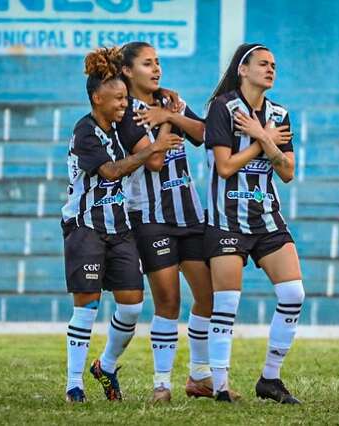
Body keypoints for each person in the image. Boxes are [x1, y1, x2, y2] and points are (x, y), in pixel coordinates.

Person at [61, 46, 183, 403]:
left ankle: (107, 366)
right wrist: (151, 149)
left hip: (119, 226)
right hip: (85, 225)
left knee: (130, 305)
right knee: (87, 305)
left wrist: (165, 97)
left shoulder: (122, 124)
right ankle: (74, 385)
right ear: (97, 98)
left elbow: (153, 154)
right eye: (117, 99)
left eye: (125, 99)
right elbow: (112, 171)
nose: (123, 105)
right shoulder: (84, 132)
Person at [116, 41, 217, 403]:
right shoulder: (124, 111)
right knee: (169, 301)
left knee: (207, 295)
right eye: (147, 63)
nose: (156, 69)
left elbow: (204, 134)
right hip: (151, 218)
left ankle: (200, 377)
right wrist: (160, 125)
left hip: (189, 215)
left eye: (158, 62)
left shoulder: (169, 102)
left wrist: (171, 116)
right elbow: (154, 162)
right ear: (127, 71)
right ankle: (162, 383)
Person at [204, 43, 303, 404]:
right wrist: (264, 143)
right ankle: (219, 385)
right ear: (242, 69)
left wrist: (262, 136)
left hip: (267, 220)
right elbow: (225, 167)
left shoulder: (279, 113)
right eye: (263, 63)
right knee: (227, 301)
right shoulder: (222, 108)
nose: (270, 69)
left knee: (294, 295)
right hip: (225, 220)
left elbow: (288, 172)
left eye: (274, 64)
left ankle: (270, 379)